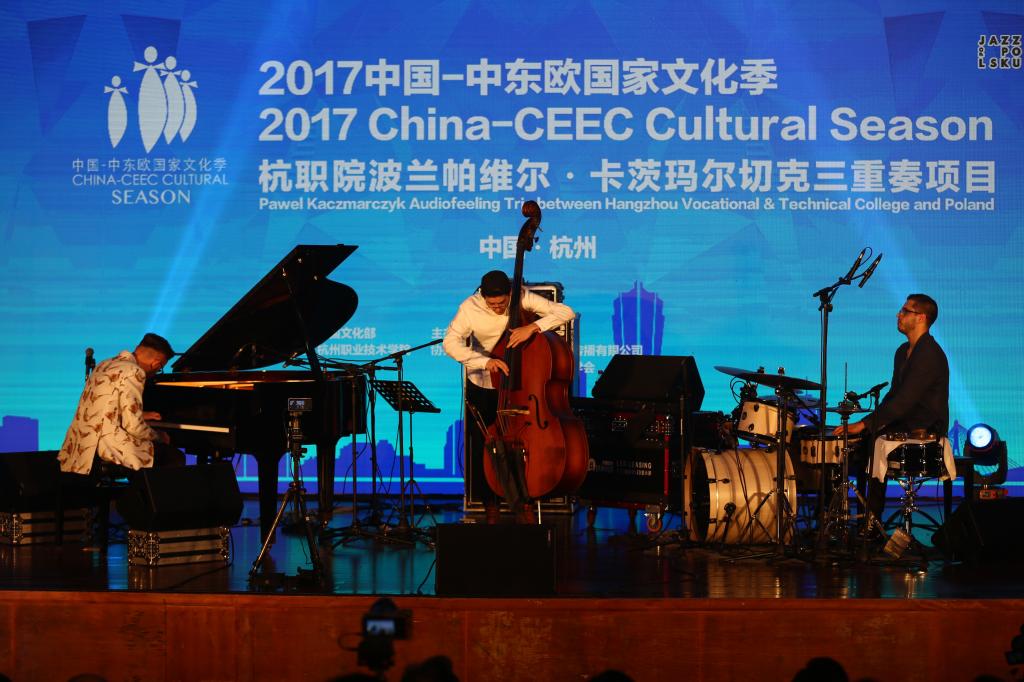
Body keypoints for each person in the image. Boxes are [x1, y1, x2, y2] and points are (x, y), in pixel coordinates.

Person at [443, 270, 575, 524]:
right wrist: (484, 361)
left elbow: (566, 312)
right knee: (485, 447)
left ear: (510, 294)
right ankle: (490, 505)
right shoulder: (470, 307)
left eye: (501, 303)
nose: (497, 308)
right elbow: (450, 343)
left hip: (521, 386)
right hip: (484, 382)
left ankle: (524, 501)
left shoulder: (522, 297)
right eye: (491, 304)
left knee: (522, 445)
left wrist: (533, 327)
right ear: (482, 296)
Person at [833, 293, 949, 526]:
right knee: (859, 440)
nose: (899, 314)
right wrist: (869, 421)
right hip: (905, 418)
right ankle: (852, 516)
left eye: (905, 311)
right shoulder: (902, 351)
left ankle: (872, 521)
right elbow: (894, 396)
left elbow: (905, 401)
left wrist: (865, 424)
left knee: (872, 437)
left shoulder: (929, 353)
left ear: (921, 318)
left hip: (924, 425)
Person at [58, 332, 183, 475]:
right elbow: (133, 427)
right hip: (107, 446)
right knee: (174, 457)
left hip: (81, 445)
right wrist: (159, 436)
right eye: (159, 369)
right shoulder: (134, 371)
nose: (156, 372)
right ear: (156, 363)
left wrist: (140, 414)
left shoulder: (104, 364)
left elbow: (105, 405)